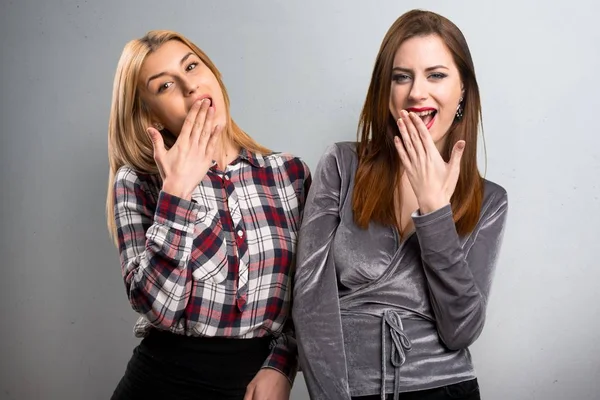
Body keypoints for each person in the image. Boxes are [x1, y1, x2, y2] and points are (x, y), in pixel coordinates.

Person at [293, 9, 508, 400]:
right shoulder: (342, 165)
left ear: (462, 91)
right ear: (386, 90)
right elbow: (309, 301)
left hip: (445, 388)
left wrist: (435, 212)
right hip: (349, 388)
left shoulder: (490, 199)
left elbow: (461, 329)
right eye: (401, 76)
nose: (416, 93)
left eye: (436, 75)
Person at [106, 30, 310, 400]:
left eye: (192, 66)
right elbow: (160, 309)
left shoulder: (288, 174)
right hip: (162, 383)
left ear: (213, 72)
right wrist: (177, 193)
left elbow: (312, 295)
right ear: (149, 112)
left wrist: (283, 363)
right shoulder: (138, 181)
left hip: (255, 385)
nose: (189, 87)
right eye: (166, 85)